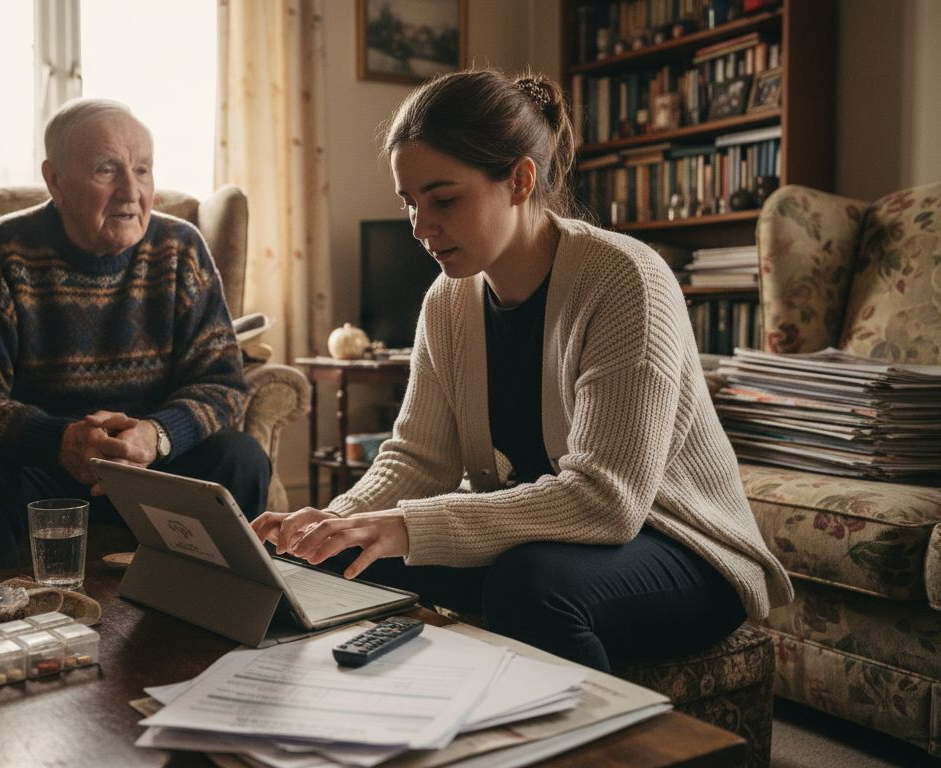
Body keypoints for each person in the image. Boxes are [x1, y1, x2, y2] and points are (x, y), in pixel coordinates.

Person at [251, 70, 793, 672]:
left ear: (519, 180)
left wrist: (405, 525)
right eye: (410, 202)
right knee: (337, 559)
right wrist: (334, 523)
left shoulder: (625, 281)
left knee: (528, 584)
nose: (420, 226)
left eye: (444, 198)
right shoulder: (447, 300)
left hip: (676, 548)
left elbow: (607, 502)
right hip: (543, 539)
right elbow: (418, 458)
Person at [0, 98, 270, 574]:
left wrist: (156, 435)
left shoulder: (181, 248)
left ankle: (215, 624)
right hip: (40, 471)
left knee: (240, 457)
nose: (131, 191)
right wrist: (58, 440)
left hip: (153, 468)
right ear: (55, 180)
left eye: (142, 170)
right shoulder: (2, 251)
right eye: (107, 169)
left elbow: (224, 386)